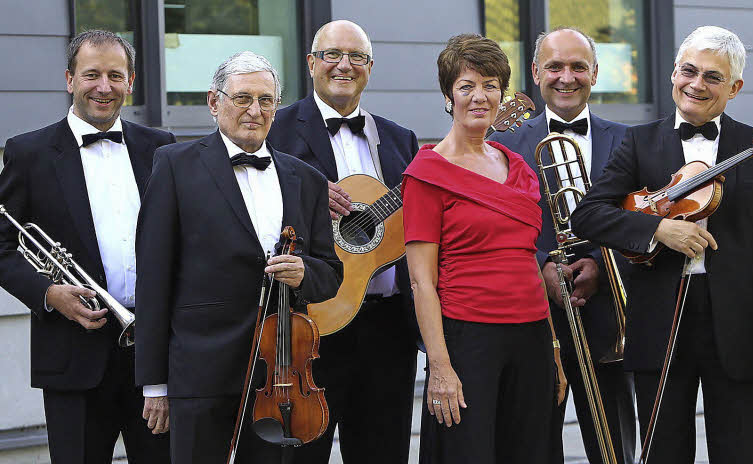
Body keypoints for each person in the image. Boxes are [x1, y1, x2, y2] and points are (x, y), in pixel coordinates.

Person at [570, 26, 753, 463]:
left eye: (713, 77)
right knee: (663, 453)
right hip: (659, 325)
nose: (696, 84)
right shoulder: (638, 141)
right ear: (673, 75)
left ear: (734, 87)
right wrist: (657, 230)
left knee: (739, 453)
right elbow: (588, 214)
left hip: (740, 331)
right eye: (688, 71)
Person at [133, 51, 342, 464]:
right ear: (215, 102)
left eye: (266, 100)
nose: (255, 110)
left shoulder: (307, 179)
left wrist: (304, 273)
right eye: (243, 98)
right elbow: (154, 279)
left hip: (281, 378)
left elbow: (331, 273)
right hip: (200, 373)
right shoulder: (174, 165)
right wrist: (154, 385)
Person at [0, 29, 175, 464]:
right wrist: (47, 293)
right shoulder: (28, 152)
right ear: (69, 79)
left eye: (115, 76)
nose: (103, 87)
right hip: (72, 352)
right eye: (91, 74)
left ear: (130, 82)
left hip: (152, 359)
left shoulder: (162, 149)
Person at [404, 33, 566, 463]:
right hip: (468, 340)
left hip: (532, 336)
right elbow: (421, 282)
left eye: (491, 85)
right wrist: (439, 367)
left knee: (530, 452)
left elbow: (531, 263)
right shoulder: (427, 173)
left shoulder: (519, 167)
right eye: (466, 86)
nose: (480, 96)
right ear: (447, 95)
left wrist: (551, 347)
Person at [265, 20, 420, 463]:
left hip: (388, 327)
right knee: (302, 454)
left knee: (384, 451)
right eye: (332, 54)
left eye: (357, 57)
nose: (344, 65)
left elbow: (410, 222)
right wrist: (309, 194)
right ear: (311, 63)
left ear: (370, 68)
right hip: (311, 327)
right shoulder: (276, 130)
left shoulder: (399, 137)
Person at [489, 26, 636, 464]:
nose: (566, 77)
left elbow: (641, 220)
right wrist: (539, 266)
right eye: (554, 66)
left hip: (610, 318)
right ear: (536, 72)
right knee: (532, 446)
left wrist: (600, 265)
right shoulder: (501, 144)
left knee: (615, 449)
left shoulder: (630, 140)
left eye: (577, 67)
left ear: (595, 72)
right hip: (532, 323)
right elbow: (494, 226)